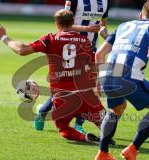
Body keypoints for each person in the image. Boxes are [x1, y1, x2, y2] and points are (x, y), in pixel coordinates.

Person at [0, 9, 106, 143]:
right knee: (105, 121)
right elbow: (95, 65)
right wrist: (97, 85)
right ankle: (106, 137)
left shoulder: (50, 39)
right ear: (73, 22)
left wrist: (3, 37)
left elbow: (21, 50)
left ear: (57, 24)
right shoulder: (85, 41)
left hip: (62, 98)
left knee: (63, 128)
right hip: (85, 95)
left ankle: (85, 138)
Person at [94, 1, 149, 160]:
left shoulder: (123, 26)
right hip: (130, 76)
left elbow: (99, 54)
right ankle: (132, 150)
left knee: (117, 109)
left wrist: (99, 81)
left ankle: (102, 153)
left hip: (110, 73)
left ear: (140, 15)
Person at [35, 0, 110, 134]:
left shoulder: (105, 1)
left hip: (90, 48)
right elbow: (66, 24)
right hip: (72, 46)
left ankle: (78, 124)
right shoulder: (74, 1)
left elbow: (103, 24)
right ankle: (43, 111)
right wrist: (85, 29)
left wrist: (107, 39)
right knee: (70, 86)